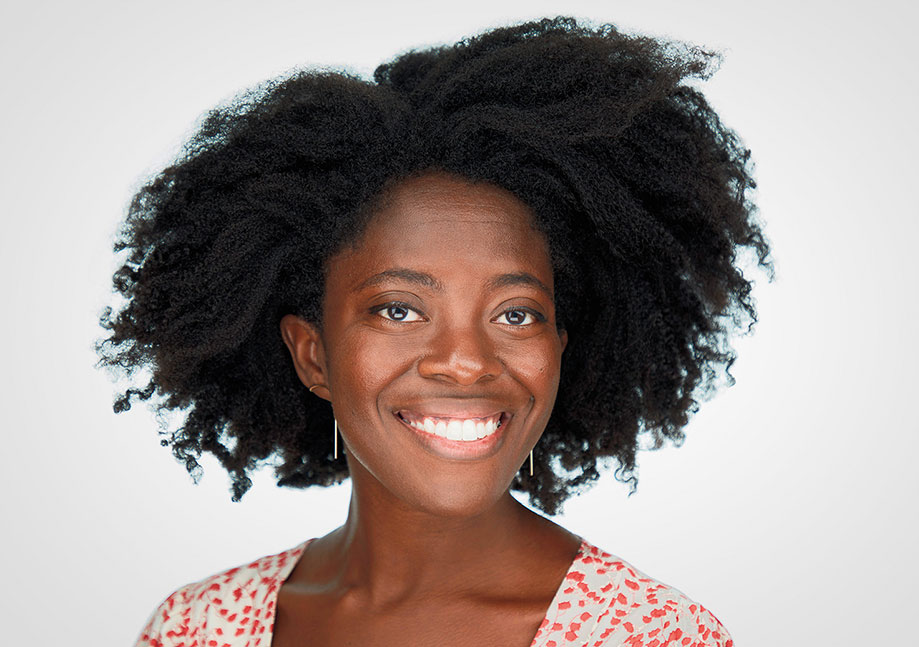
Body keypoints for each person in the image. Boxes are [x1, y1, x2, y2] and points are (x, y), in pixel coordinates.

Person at [100, 16, 769, 647]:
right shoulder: (199, 627)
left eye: (516, 313)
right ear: (313, 356)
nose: (465, 361)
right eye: (399, 308)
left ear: (560, 348)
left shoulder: (650, 634)